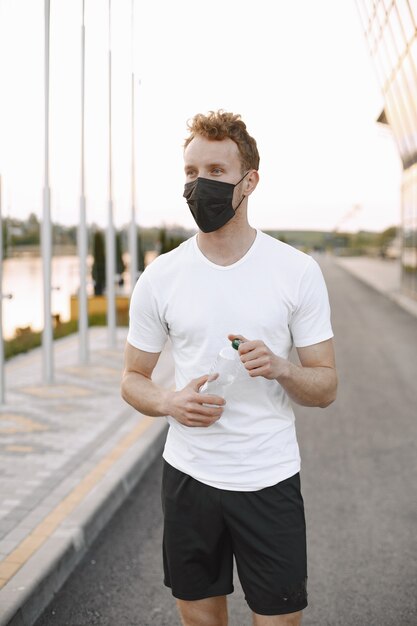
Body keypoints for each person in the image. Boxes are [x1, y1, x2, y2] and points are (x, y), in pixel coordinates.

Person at [121, 110, 337, 626]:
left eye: (216, 172)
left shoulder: (296, 271)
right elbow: (132, 380)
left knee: (280, 620)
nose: (200, 186)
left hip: (269, 475)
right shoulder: (161, 277)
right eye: (192, 174)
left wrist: (281, 368)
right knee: (198, 616)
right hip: (190, 475)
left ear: (249, 181)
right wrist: (169, 401)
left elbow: (326, 385)